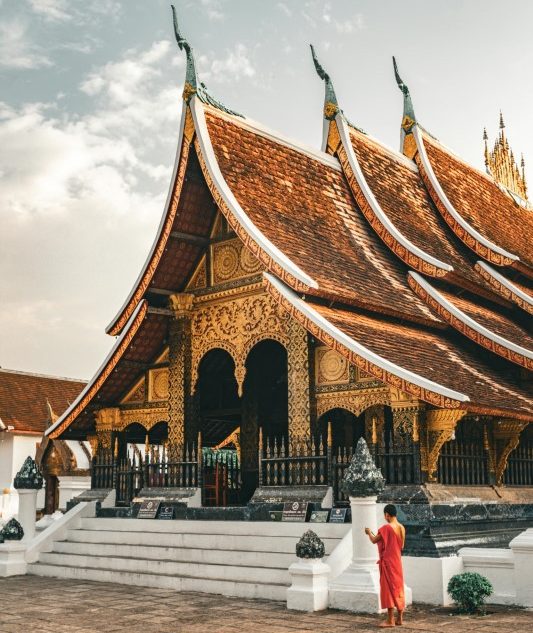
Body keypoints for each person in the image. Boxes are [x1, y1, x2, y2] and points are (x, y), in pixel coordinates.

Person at [365, 504, 406, 627]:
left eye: (385, 515)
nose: (385, 517)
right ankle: (400, 618)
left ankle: (390, 620)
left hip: (388, 562)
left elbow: (374, 540)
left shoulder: (386, 528)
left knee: (388, 589)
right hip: (397, 562)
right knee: (398, 587)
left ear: (387, 514)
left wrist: (368, 533)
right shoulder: (402, 527)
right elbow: (402, 546)